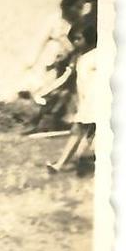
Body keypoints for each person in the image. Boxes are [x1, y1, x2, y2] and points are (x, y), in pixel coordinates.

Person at [19, 0, 85, 133]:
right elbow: (39, 42)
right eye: (77, 7)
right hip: (51, 61)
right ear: (67, 6)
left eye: (81, 8)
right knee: (47, 91)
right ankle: (38, 121)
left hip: (70, 61)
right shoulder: (53, 20)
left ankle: (60, 121)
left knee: (67, 92)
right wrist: (30, 63)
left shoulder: (80, 22)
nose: (79, 11)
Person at [47, 21, 97, 174]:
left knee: (83, 133)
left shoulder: (98, 56)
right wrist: (47, 90)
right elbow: (66, 77)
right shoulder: (78, 58)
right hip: (86, 102)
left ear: (89, 37)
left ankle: (64, 164)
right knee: (80, 132)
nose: (75, 42)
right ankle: (61, 164)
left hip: (96, 101)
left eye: (78, 38)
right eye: (73, 39)